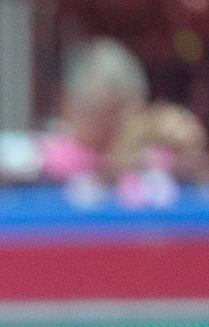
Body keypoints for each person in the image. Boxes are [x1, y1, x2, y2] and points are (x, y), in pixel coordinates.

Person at [38, 37, 208, 206]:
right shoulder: (50, 156)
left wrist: (188, 149)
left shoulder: (158, 155)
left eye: (119, 113)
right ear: (69, 107)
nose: (110, 127)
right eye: (99, 114)